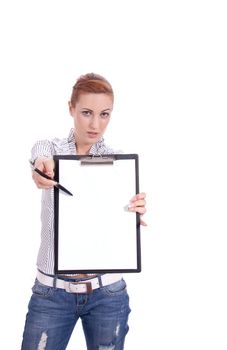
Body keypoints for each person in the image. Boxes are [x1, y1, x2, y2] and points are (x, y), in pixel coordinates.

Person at [21, 73, 147, 350]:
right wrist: (40, 164)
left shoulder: (117, 164)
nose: (95, 124)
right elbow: (39, 150)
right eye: (86, 113)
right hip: (51, 293)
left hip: (108, 293)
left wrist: (132, 215)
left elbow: (118, 223)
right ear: (71, 108)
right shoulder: (53, 151)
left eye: (104, 114)